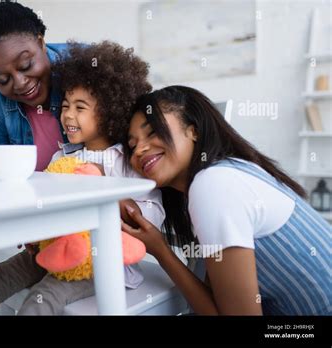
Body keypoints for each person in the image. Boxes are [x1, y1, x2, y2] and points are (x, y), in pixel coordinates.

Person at [0, 41, 165, 315]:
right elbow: (43, 205)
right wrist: (34, 232)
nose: (68, 115)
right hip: (53, 253)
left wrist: (112, 200)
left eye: (80, 107)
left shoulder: (127, 161)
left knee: (43, 298)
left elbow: (153, 216)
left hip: (103, 265)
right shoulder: (62, 159)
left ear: (111, 109)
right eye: (65, 106)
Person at [121, 85, 331, 315]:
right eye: (131, 147)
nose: (139, 149)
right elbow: (218, 305)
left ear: (194, 131)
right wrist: (159, 247)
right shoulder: (227, 171)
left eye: (152, 132)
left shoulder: (214, 184)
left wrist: (161, 250)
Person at [0, 1, 68, 170]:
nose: (20, 83)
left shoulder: (88, 69)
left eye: (26, 65)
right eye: (2, 79)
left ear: (41, 44)